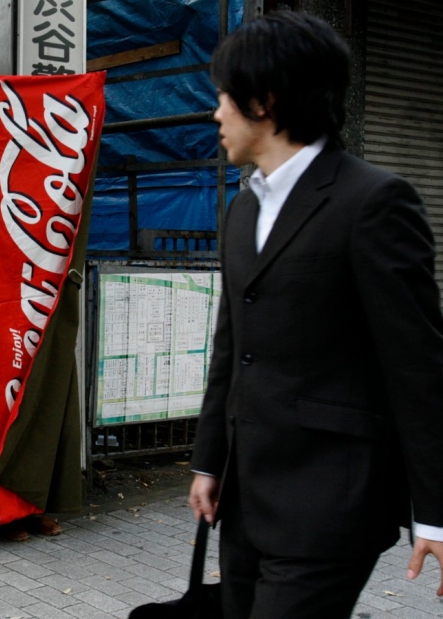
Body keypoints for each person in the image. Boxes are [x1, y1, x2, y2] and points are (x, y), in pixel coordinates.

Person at [188, 11, 443, 618]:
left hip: (333, 502)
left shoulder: (373, 202)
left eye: (225, 94)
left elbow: (420, 367)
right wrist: (208, 461)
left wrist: (435, 511)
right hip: (247, 500)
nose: (215, 111)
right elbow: (232, 346)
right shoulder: (243, 211)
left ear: (265, 101)